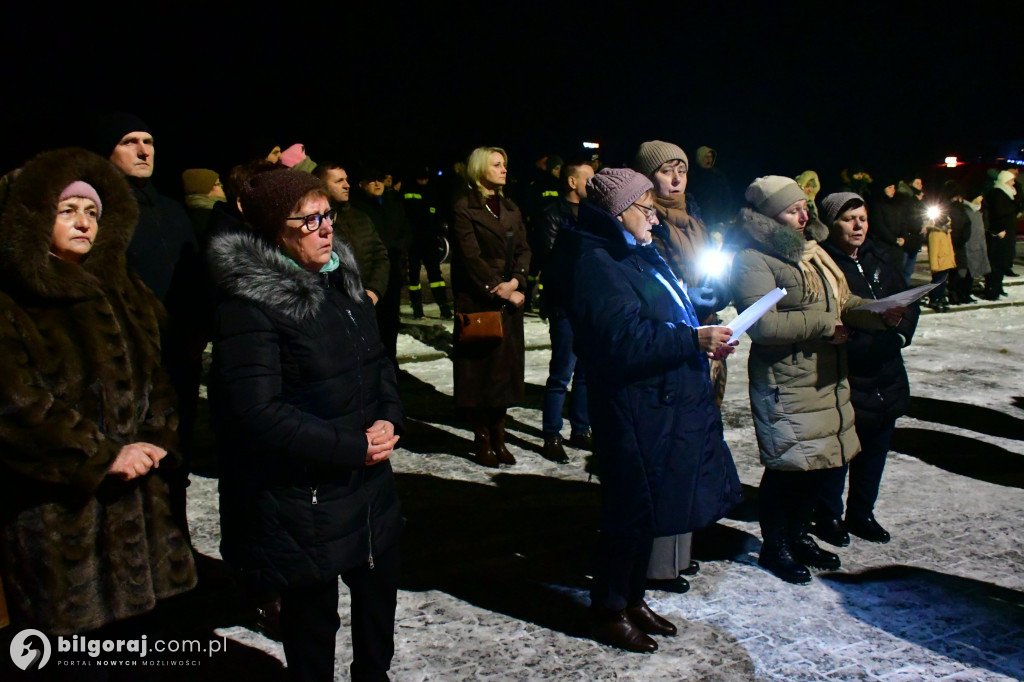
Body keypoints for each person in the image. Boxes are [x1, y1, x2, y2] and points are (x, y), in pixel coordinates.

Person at [207, 168, 403, 681]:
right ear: (277, 231)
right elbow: (258, 413)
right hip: (305, 500)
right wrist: (350, 446)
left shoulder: (343, 283)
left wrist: (389, 418)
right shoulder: (251, 304)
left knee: (378, 609)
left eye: (327, 215)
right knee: (313, 628)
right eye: (309, 220)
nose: (326, 228)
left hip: (370, 488)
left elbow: (379, 364)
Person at [0, 148, 197, 640]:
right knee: (79, 653)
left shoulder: (124, 288)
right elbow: (16, 407)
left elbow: (159, 376)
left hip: (142, 510)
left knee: (141, 648)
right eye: (67, 210)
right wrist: (102, 455)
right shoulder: (12, 300)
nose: (84, 222)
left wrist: (156, 437)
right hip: (63, 521)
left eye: (92, 211)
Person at [561, 168, 740, 652]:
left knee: (647, 510)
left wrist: (699, 327)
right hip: (631, 407)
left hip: (657, 403)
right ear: (619, 211)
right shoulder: (596, 261)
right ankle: (607, 610)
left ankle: (632, 598)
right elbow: (623, 339)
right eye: (646, 209)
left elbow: (664, 309)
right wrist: (691, 340)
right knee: (628, 512)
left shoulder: (636, 251)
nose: (655, 219)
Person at [730, 176, 891, 585]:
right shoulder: (753, 259)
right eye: (792, 210)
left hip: (825, 376)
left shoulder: (814, 251)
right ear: (769, 217)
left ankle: (799, 534)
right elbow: (762, 325)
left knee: (818, 465)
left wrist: (878, 312)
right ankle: (776, 545)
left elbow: (842, 301)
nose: (804, 216)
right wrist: (824, 324)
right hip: (787, 379)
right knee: (788, 467)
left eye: (805, 207)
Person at [92, 113, 207, 541]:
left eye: (149, 141)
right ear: (107, 151)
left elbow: (196, 279)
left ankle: (177, 545)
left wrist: (198, 331)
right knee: (136, 464)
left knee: (178, 458)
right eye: (129, 142)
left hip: (180, 358)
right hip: (129, 363)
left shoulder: (172, 210)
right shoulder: (100, 212)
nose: (143, 151)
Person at [631, 140, 732, 592]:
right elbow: (653, 288)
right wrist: (691, 299)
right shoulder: (646, 223)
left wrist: (718, 291)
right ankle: (657, 559)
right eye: (666, 171)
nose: (676, 179)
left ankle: (681, 549)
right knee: (669, 451)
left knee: (696, 446)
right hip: (674, 342)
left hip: (706, 339)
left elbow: (713, 275)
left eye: (682, 170)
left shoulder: (696, 221)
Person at [813, 192, 919, 547]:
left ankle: (861, 513)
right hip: (849, 371)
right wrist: (858, 343)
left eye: (862, 217)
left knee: (875, 450)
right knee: (840, 452)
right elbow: (829, 316)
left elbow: (908, 302)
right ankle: (827, 515)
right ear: (831, 224)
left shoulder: (881, 256)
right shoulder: (825, 264)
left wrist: (901, 334)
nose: (858, 226)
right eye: (848, 219)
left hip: (887, 370)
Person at [450, 147, 530, 468]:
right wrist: (501, 289)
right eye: (496, 164)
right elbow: (470, 258)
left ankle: (500, 435)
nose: (503, 169)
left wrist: (517, 281)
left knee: (504, 375)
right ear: (480, 169)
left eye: (504, 164)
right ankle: (482, 437)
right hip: (479, 301)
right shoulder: (463, 207)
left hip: (508, 301)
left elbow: (524, 249)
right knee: (478, 375)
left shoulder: (511, 208)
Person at [536, 160, 595, 463]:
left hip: (589, 306)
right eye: (589, 179)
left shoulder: (593, 215)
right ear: (572, 182)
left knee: (585, 373)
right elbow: (552, 260)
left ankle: (581, 429)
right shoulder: (552, 214)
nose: (594, 185)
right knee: (561, 374)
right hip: (564, 305)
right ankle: (552, 435)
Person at [352, 167, 410, 364]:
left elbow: (404, 230)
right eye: (371, 180)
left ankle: (391, 363)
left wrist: (400, 253)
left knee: (391, 321)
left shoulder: (393, 203)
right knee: (372, 322)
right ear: (361, 185)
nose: (377, 184)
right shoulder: (357, 208)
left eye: (380, 179)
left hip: (393, 271)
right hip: (370, 276)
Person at [314, 162, 390, 305]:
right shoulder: (313, 223)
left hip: (366, 302)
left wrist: (374, 291)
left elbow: (380, 256)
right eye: (339, 181)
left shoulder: (360, 218)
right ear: (321, 185)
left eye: (346, 180)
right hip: (333, 305)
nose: (347, 185)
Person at [402, 167, 453, 319]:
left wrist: (437, 232)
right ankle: (417, 309)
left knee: (436, 276)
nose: (424, 181)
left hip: (429, 241)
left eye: (426, 178)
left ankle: (444, 307)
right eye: (421, 178)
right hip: (413, 241)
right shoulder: (408, 191)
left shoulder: (432, 191)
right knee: (414, 277)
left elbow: (438, 214)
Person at [982, 170, 1018, 299]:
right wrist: (1014, 208)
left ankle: (998, 287)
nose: (1013, 183)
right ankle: (992, 289)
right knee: (997, 262)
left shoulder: (1007, 192)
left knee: (1002, 261)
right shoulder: (998, 193)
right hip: (999, 233)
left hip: (1006, 232)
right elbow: (998, 213)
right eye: (1011, 180)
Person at [182, 167, 227, 240]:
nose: (222, 186)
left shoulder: (187, 216)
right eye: (218, 184)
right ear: (207, 189)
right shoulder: (213, 219)